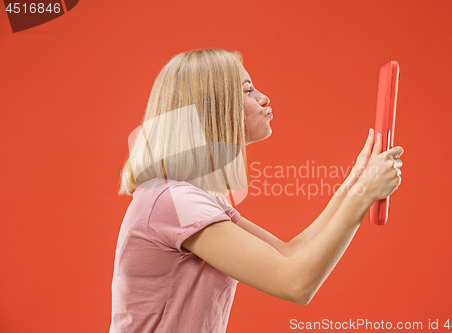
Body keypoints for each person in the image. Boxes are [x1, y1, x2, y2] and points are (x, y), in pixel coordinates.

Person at [109, 48, 404, 333]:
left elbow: (289, 252)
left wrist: (355, 184)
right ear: (215, 107)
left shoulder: (194, 196)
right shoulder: (174, 201)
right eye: (248, 90)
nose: (264, 99)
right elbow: (295, 282)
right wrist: (363, 194)